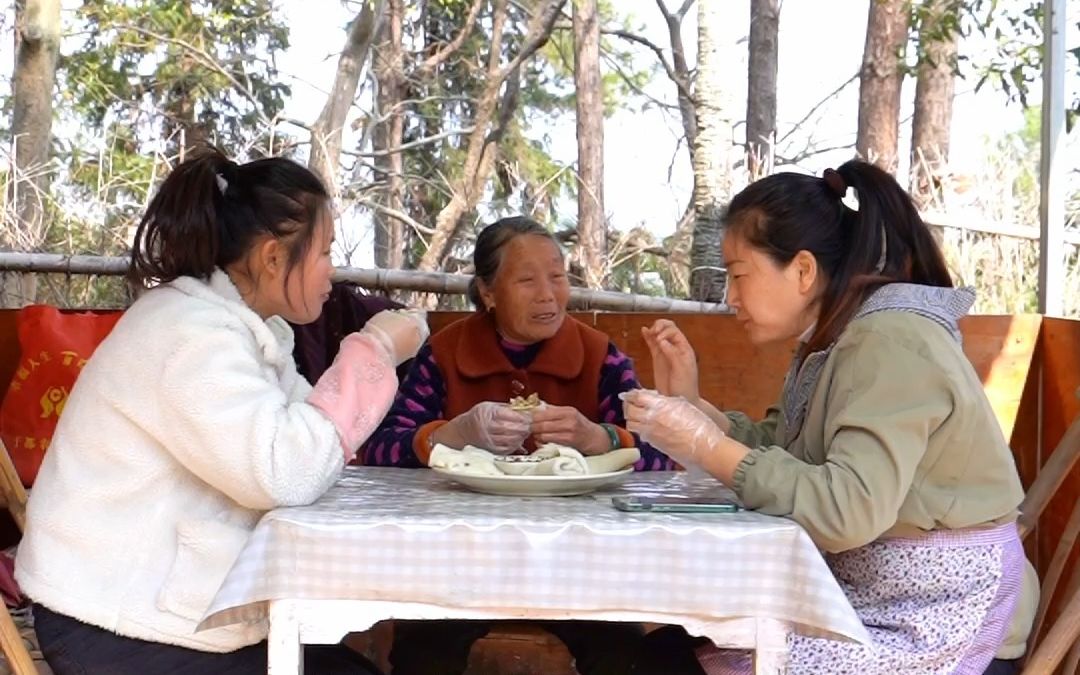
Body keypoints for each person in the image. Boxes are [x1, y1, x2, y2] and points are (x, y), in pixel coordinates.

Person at [15, 148, 428, 675]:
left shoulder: (249, 329)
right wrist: (375, 351)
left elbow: (315, 443)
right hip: (110, 621)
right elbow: (287, 472)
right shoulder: (190, 333)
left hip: (159, 605)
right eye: (324, 252)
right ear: (273, 257)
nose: (332, 270)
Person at [623, 160, 1038, 675]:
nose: (730, 298)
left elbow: (847, 510)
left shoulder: (889, 339)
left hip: (936, 615)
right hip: (876, 594)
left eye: (737, 275)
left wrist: (707, 445)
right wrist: (694, 410)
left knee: (673, 660)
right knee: (657, 647)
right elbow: (790, 447)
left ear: (801, 269)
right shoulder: (839, 336)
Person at [364, 215, 672, 675]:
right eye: (527, 280)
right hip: (460, 562)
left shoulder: (598, 355)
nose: (548, 294)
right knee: (423, 652)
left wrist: (600, 437)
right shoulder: (446, 353)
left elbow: (665, 454)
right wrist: (452, 434)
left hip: (580, 565)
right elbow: (377, 450)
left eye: (557, 277)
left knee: (620, 653)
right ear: (488, 292)